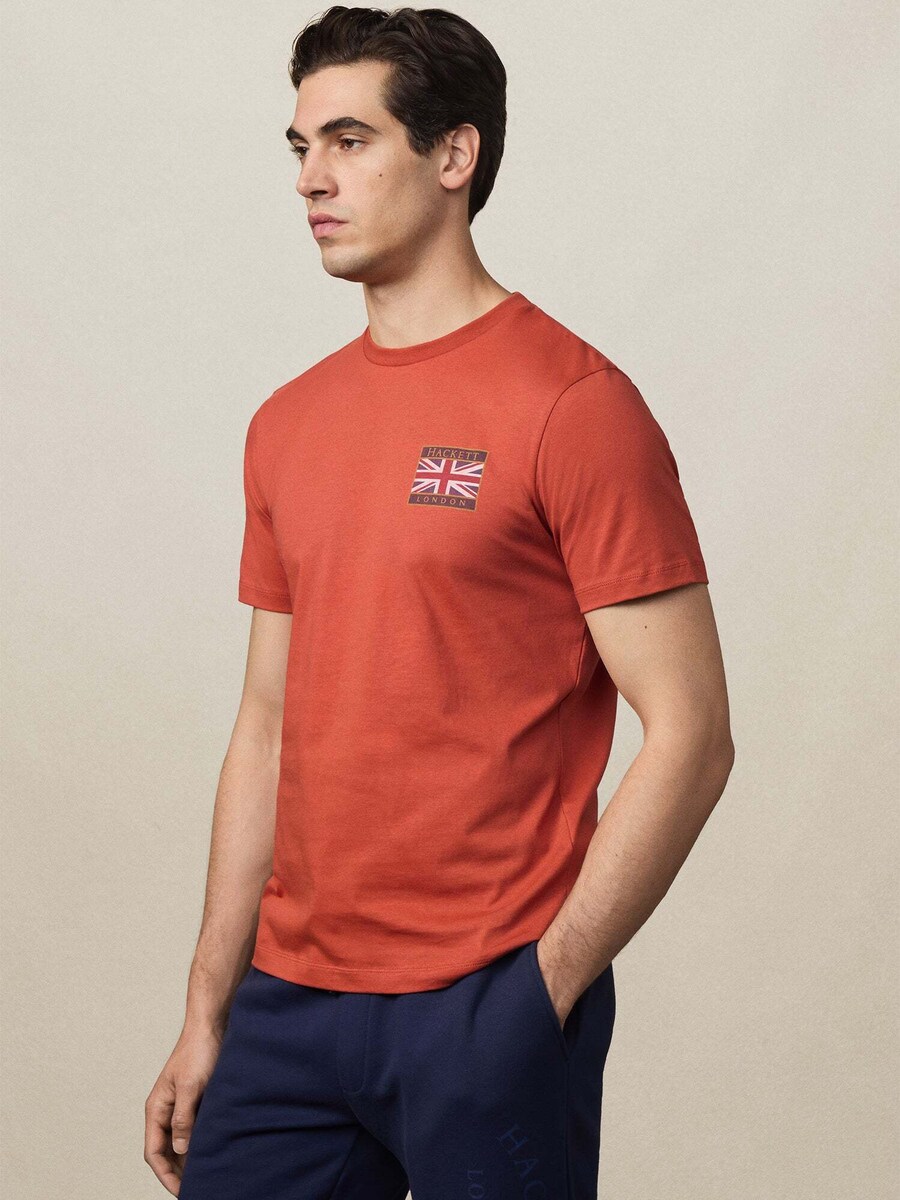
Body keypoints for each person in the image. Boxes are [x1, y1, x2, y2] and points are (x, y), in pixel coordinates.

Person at [144, 6, 735, 1197]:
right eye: (301, 146)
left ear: (454, 154)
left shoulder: (574, 407)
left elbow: (693, 735)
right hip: (288, 1008)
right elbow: (267, 723)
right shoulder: (287, 425)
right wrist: (209, 1008)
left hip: (485, 997)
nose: (311, 179)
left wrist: (543, 989)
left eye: (350, 141)